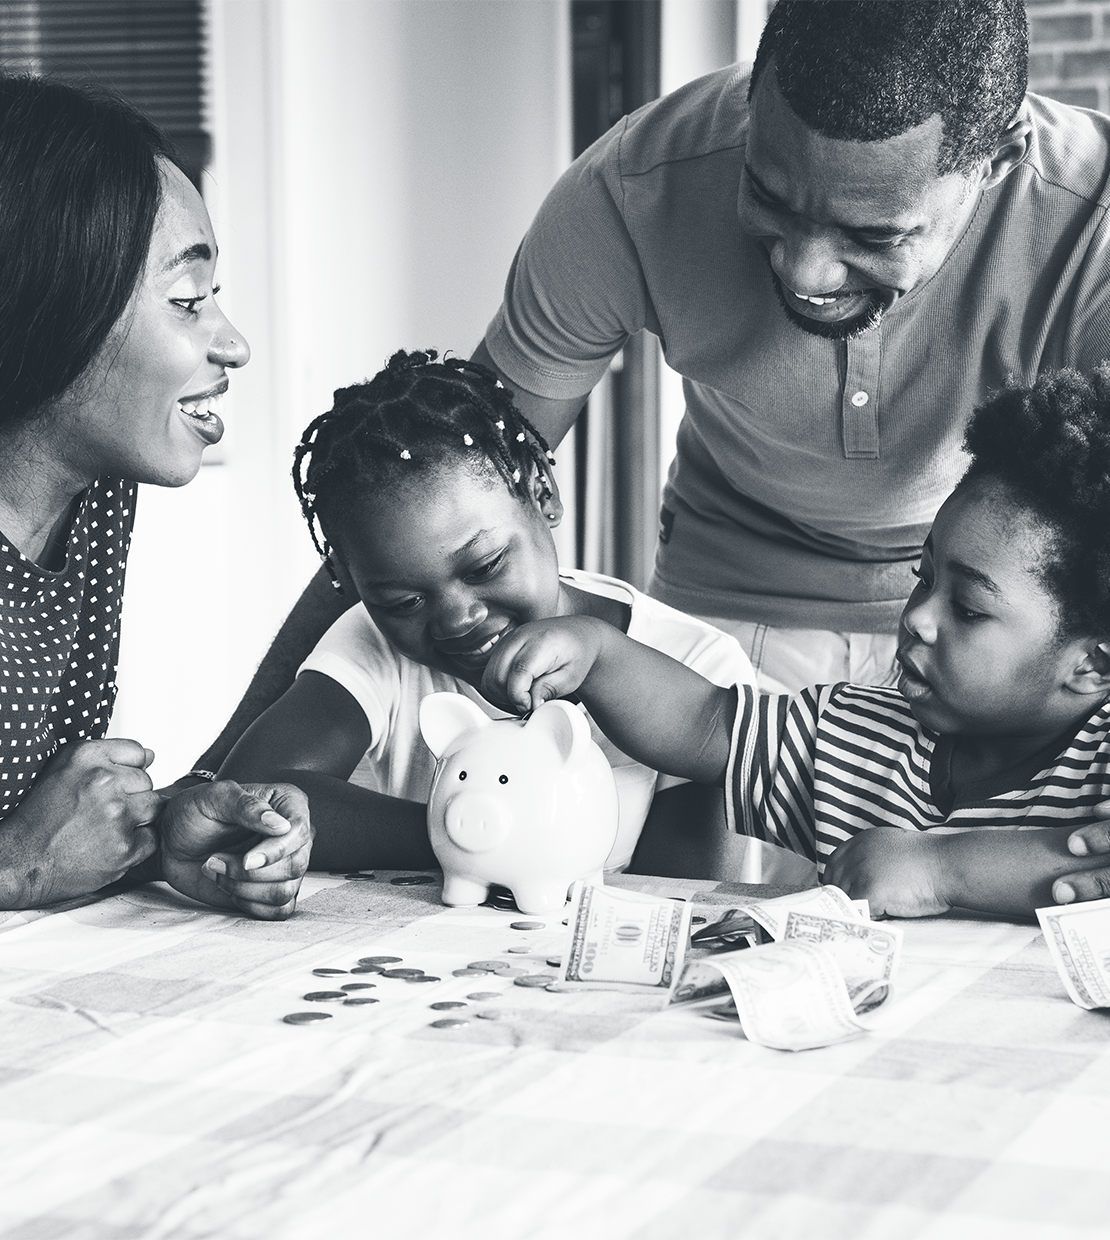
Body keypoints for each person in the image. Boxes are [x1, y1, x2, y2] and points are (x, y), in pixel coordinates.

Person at [189, 0, 1110, 893]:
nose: (803, 270)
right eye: (771, 198)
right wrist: (221, 769)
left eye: (873, 234)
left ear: (997, 162)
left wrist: (960, 868)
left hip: (1023, 632)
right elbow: (428, 493)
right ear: (755, 103)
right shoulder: (633, 190)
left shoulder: (1093, 227)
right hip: (733, 628)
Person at [480, 367, 1110, 918]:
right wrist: (596, 651)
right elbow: (703, 724)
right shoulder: (860, 738)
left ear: (1093, 664)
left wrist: (940, 868)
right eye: (924, 577)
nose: (918, 617)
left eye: (969, 609)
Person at [218, 350, 754, 872]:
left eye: (485, 567)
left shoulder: (699, 666)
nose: (456, 618)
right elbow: (249, 797)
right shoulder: (373, 642)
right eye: (402, 601)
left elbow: (686, 897)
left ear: (542, 491)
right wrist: (463, 835)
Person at [0, 74, 312, 916]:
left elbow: (42, 824)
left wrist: (162, 827)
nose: (234, 343)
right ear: (55, 302)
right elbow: (21, 852)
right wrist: (11, 872)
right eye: (187, 301)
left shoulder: (93, 498)